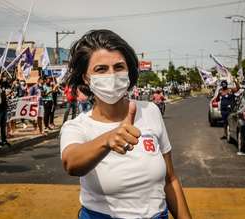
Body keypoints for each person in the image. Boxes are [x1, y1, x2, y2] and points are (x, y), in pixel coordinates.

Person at [60, 30, 191, 219]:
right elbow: (71, 163)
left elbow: (170, 179)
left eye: (119, 67)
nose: (112, 75)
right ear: (86, 78)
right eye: (101, 69)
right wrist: (107, 140)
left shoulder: (150, 111)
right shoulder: (76, 126)